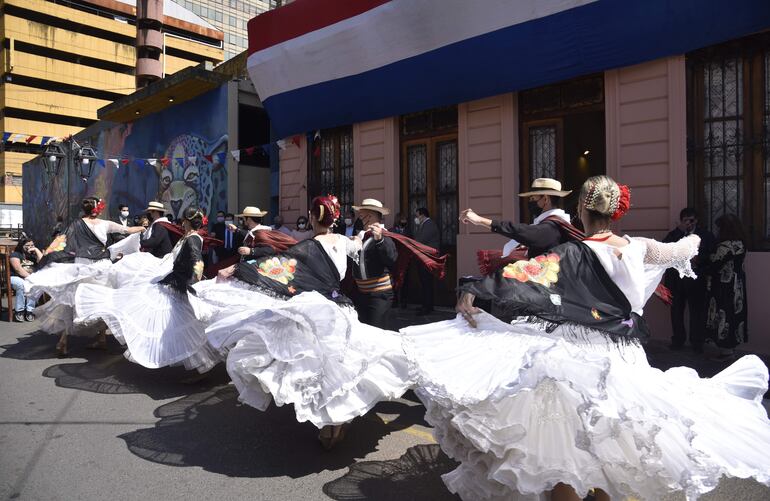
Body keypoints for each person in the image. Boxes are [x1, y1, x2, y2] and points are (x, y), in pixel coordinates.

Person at [401, 175, 770, 501]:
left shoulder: (572, 252)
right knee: (607, 442)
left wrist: (472, 288)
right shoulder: (640, 247)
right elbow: (684, 250)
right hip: (623, 358)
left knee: (564, 449)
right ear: (616, 212)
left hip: (573, 355)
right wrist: (691, 237)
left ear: (580, 210)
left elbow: (521, 275)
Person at [201, 195, 412, 450]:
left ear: (313, 218)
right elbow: (356, 246)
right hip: (341, 310)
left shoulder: (308, 247)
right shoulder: (346, 241)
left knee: (320, 368)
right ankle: (336, 423)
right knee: (340, 365)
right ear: (334, 219)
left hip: (319, 310)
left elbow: (276, 265)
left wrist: (237, 269)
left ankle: (330, 424)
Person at [75, 207, 219, 373]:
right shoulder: (188, 236)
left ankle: (202, 366)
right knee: (177, 324)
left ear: (186, 221)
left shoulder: (193, 238)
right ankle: (200, 366)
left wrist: (191, 284)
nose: (181, 222)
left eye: (183, 220)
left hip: (178, 285)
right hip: (173, 280)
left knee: (180, 324)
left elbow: (198, 263)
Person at [25, 197, 144, 356]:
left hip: (82, 266)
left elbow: (61, 240)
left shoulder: (76, 224)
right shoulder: (105, 224)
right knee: (104, 300)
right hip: (102, 266)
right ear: (98, 209)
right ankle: (101, 338)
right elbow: (127, 230)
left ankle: (64, 341)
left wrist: (48, 253)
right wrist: (143, 228)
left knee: (73, 302)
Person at [462, 178, 580, 260]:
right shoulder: (551, 224)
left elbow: (520, 231)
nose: (530, 202)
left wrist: (480, 220)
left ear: (545, 199)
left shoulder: (552, 227)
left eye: (533, 198)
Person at [664, 207, 715, 353]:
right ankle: (678, 340)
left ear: (696, 220)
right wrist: (680, 231)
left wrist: (698, 260)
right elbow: (665, 247)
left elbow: (712, 254)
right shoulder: (675, 234)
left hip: (696, 280)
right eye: (685, 220)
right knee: (676, 312)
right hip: (677, 280)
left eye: (691, 220)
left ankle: (697, 343)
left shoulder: (705, 235)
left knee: (697, 313)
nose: (688, 223)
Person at [705, 214, 747, 361]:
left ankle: (726, 352)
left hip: (724, 287)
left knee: (724, 316)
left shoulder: (725, 246)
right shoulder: (741, 243)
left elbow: (714, 265)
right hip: (737, 285)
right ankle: (730, 350)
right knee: (734, 316)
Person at [351, 198, 399, 329]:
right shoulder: (361, 235)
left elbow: (391, 259)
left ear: (370, 215)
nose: (359, 218)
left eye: (361, 215)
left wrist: (380, 241)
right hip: (361, 294)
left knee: (376, 335)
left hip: (379, 295)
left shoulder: (385, 236)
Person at [413, 207, 440, 314]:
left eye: (417, 215)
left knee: (427, 282)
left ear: (422, 215)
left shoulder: (429, 225)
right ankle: (425, 305)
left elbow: (420, 240)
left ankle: (428, 307)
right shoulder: (424, 225)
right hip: (424, 258)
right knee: (424, 283)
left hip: (428, 258)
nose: (416, 218)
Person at [9, 237, 43, 322]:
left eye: (32, 245)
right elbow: (18, 269)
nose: (30, 247)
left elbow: (43, 262)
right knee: (22, 284)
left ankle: (30, 311)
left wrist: (36, 249)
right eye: (27, 245)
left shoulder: (32, 256)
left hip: (29, 278)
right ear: (21, 245)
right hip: (15, 277)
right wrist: (30, 278)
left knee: (36, 284)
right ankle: (19, 311)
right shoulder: (15, 254)